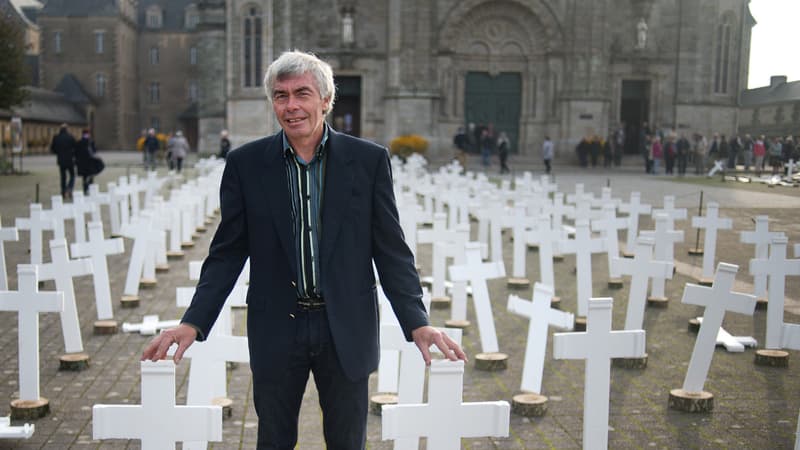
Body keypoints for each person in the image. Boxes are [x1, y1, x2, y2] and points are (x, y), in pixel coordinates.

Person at [141, 50, 466, 449]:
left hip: (345, 326)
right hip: (278, 326)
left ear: (325, 101)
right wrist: (194, 321)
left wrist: (416, 320)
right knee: (274, 440)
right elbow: (226, 253)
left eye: (302, 94)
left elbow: (391, 251)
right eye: (280, 96)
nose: (291, 106)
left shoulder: (368, 161)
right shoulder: (246, 164)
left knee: (347, 442)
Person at [50, 123, 76, 199]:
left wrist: (58, 153)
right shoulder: (70, 137)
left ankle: (63, 191)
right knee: (72, 175)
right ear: (67, 129)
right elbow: (75, 147)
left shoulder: (56, 137)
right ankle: (69, 188)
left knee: (63, 177)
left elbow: (53, 149)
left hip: (61, 160)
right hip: (70, 160)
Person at [75, 129, 104, 194]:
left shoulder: (79, 143)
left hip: (82, 164)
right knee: (90, 177)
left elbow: (76, 153)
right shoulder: (90, 142)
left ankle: (85, 190)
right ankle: (90, 190)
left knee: (85, 178)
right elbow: (94, 152)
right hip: (90, 163)